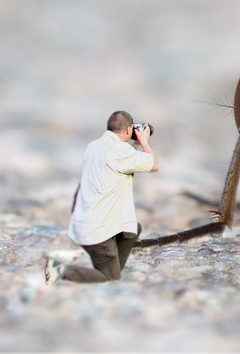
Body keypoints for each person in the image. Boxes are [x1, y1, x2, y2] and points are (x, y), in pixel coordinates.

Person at [45, 111, 158, 284]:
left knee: (133, 229)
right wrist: (143, 141)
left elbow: (120, 160)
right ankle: (61, 269)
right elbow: (153, 164)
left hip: (85, 222)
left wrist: (133, 144)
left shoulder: (94, 146)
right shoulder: (120, 152)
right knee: (110, 278)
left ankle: (109, 264)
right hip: (100, 230)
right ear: (128, 129)